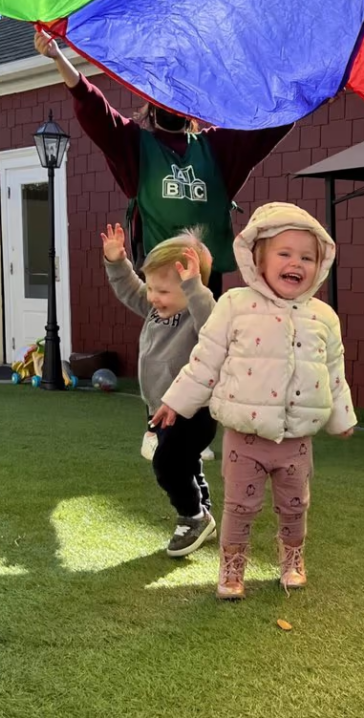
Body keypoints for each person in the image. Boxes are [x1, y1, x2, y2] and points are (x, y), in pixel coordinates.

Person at [152, 202, 357, 599]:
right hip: (244, 438)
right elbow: (205, 360)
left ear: (320, 265)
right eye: (284, 253)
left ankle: (292, 558)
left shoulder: (324, 317)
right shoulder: (234, 305)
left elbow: (334, 372)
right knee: (239, 507)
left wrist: (342, 417)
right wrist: (176, 402)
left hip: (297, 439)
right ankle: (232, 567)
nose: (296, 263)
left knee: (295, 506)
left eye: (307, 257)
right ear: (258, 257)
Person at [33, 31, 293, 297]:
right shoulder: (135, 147)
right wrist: (58, 57)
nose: (173, 106)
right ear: (152, 104)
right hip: (161, 281)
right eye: (166, 97)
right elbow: (95, 108)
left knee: (206, 336)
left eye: (181, 99)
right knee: (166, 337)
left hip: (207, 282)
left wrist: (312, 95)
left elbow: (267, 127)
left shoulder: (217, 148)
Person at [101, 222, 218, 558]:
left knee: (167, 464)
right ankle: (203, 507)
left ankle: (192, 516)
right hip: (158, 406)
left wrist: (195, 288)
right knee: (186, 461)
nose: (154, 297)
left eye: (164, 291)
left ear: (192, 288)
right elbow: (130, 289)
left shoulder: (198, 317)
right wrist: (116, 260)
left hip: (193, 410)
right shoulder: (155, 310)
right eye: (152, 288)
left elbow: (210, 318)